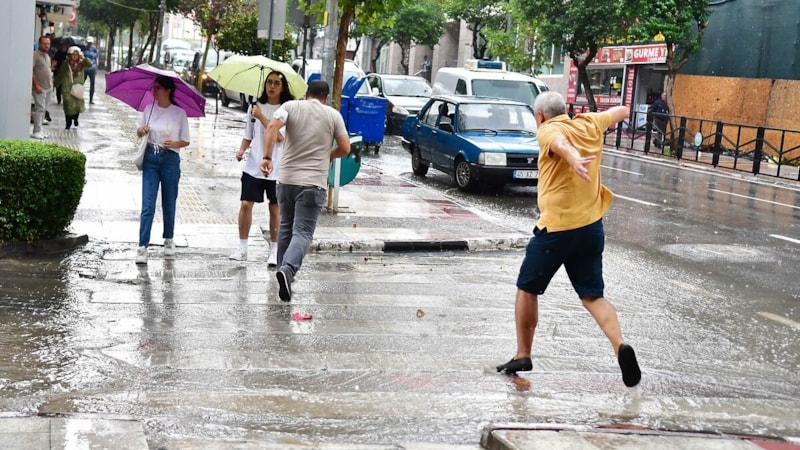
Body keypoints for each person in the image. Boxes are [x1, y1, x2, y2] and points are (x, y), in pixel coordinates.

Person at [495, 91, 641, 388]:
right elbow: (621, 111)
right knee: (592, 296)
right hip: (591, 228)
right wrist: (623, 110)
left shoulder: (547, 129)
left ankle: (523, 354)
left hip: (556, 230)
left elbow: (559, 144)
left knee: (527, 287)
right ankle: (620, 345)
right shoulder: (589, 123)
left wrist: (573, 157)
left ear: (540, 116)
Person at [259, 80, 351, 302]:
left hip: (287, 181)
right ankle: (288, 270)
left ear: (306, 94)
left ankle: (283, 275)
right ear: (326, 98)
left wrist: (267, 157)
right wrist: (330, 155)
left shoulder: (290, 106)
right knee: (303, 232)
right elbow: (346, 148)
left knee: (285, 228)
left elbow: (272, 127)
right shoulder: (333, 115)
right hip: (313, 184)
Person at [229, 71, 295, 265]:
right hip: (253, 165)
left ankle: (274, 250)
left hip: (277, 167)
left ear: (283, 87)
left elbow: (280, 137)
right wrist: (242, 150)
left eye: (276, 83)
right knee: (245, 204)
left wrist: (262, 117)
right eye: (269, 82)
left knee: (275, 209)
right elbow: (248, 134)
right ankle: (242, 247)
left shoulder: (285, 110)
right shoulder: (254, 107)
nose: (271, 86)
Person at [134, 75, 191, 265]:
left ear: (168, 90)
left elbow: (186, 140)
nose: (154, 91)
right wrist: (142, 130)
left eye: (158, 88)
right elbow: (138, 131)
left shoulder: (179, 113)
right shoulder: (148, 109)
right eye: (154, 87)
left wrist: (174, 143)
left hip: (170, 159)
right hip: (151, 157)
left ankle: (168, 239)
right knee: (148, 204)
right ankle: (142, 246)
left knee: (169, 201)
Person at [53, 46, 91, 130]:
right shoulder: (66, 64)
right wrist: (55, 84)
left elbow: (89, 64)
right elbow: (61, 74)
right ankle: (68, 122)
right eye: (73, 54)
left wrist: (83, 57)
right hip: (67, 87)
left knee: (77, 105)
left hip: (78, 87)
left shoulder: (82, 63)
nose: (74, 56)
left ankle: (75, 118)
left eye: (76, 54)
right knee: (67, 105)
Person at [31, 35, 53, 140]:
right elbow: (31, 70)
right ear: (40, 44)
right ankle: (36, 131)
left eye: (48, 44)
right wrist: (36, 85)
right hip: (39, 87)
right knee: (39, 109)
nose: (46, 46)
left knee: (44, 109)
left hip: (48, 87)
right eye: (44, 43)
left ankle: (40, 130)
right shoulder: (35, 55)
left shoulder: (47, 56)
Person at [52, 39, 69, 105]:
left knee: (66, 85)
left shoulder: (68, 54)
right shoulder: (58, 53)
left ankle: (65, 98)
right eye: (63, 46)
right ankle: (58, 98)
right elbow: (55, 61)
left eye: (65, 46)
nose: (64, 47)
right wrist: (52, 67)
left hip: (66, 72)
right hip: (58, 71)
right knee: (58, 85)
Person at [83, 36, 99, 104]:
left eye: (91, 43)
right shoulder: (84, 48)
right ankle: (79, 96)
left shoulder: (94, 49)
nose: (90, 44)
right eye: (89, 43)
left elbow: (96, 58)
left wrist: (96, 68)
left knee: (92, 84)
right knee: (82, 82)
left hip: (92, 68)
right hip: (85, 68)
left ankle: (91, 99)